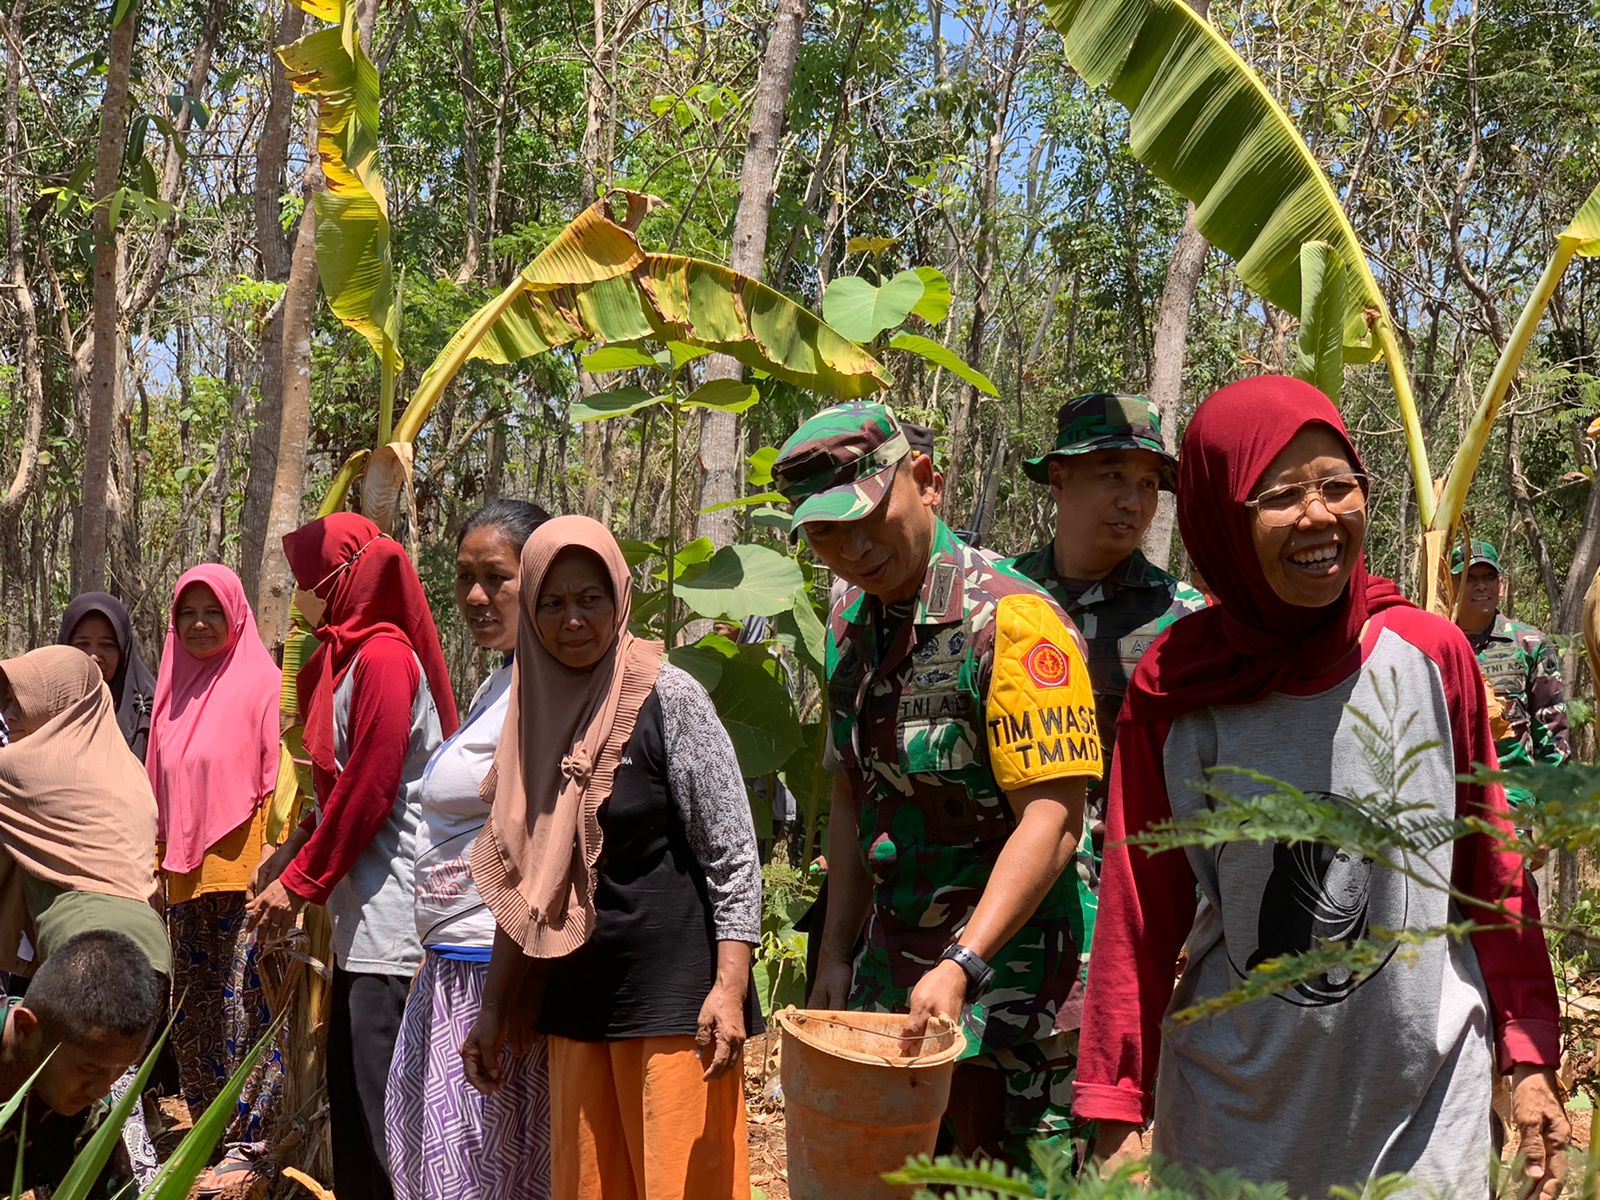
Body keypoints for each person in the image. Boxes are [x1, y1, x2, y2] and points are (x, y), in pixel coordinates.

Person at [1074, 376, 1566, 1198]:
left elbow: (1491, 877)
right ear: (1225, 519)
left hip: (1424, 1114)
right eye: (1282, 495)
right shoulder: (1179, 688)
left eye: (1339, 487)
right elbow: (1138, 912)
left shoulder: (1429, 655)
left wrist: (1527, 1056)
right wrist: (1115, 1108)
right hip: (1236, 1118)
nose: (1319, 516)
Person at [779, 401, 1102, 1173]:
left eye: (868, 517)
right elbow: (857, 790)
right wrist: (834, 953)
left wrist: (964, 963)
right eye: (826, 533)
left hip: (1017, 1006)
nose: (853, 549)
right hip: (898, 996)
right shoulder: (850, 626)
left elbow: (1054, 819)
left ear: (925, 482)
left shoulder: (1013, 621)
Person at [461, 515, 761, 1200]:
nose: (573, 620)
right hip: (575, 1003)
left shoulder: (667, 696)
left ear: (619, 597)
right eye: (553, 602)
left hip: (674, 1005)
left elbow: (732, 852)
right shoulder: (529, 714)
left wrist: (729, 987)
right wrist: (496, 1006)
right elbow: (523, 876)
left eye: (589, 599)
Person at [250, 514, 457, 1200]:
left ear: (341, 580)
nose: (300, 596)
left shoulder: (385, 659)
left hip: (393, 918)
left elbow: (371, 785)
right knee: (355, 1092)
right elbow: (340, 789)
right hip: (361, 921)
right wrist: (291, 852)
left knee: (379, 1111)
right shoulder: (351, 656)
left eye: (306, 581)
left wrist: (301, 883)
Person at [385, 499, 553, 1200]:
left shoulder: (548, 690)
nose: (477, 597)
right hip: (453, 962)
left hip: (493, 968)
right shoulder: (500, 681)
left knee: (483, 1172)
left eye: (497, 577)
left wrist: (508, 994)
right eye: (463, 578)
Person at [0, 644, 170, 1189]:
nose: (6, 718)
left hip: (87, 949)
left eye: (16, 704)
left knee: (68, 1091)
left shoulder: (27, 767)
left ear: (58, 704)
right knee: (108, 1095)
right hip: (146, 949)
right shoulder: (122, 767)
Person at [1006, 392, 1208, 822]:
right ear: (1058, 479)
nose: (1132, 503)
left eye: (1148, 484)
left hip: (1126, 872)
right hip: (1011, 871)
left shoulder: (1181, 616)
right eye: (1113, 475)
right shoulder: (1001, 597)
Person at [146, 564, 285, 1187]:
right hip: (181, 878)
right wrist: (154, 861)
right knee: (192, 1007)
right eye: (187, 614)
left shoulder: (263, 685)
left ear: (236, 615)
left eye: (212, 612)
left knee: (243, 1006)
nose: (200, 625)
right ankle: (205, 1130)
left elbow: (277, 786)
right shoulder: (172, 692)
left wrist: (272, 863)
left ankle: (250, 1141)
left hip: (242, 876)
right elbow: (158, 785)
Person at [0, 931, 163, 1198]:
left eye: (119, 1070)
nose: (100, 1089)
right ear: (26, 1030)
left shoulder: (86, 1113)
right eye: (90, 1068)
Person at [1452, 540, 1570, 816]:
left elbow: (1552, 732)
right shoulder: (1438, 643)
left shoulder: (1530, 644)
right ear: (1452, 585)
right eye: (1469, 578)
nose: (1481, 586)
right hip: (1450, 807)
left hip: (1512, 805)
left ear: (1501, 585)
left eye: (1488, 577)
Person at [58, 592, 157, 761]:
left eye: (107, 645)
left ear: (123, 651)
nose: (94, 656)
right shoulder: (38, 709)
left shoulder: (147, 710)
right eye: (82, 644)